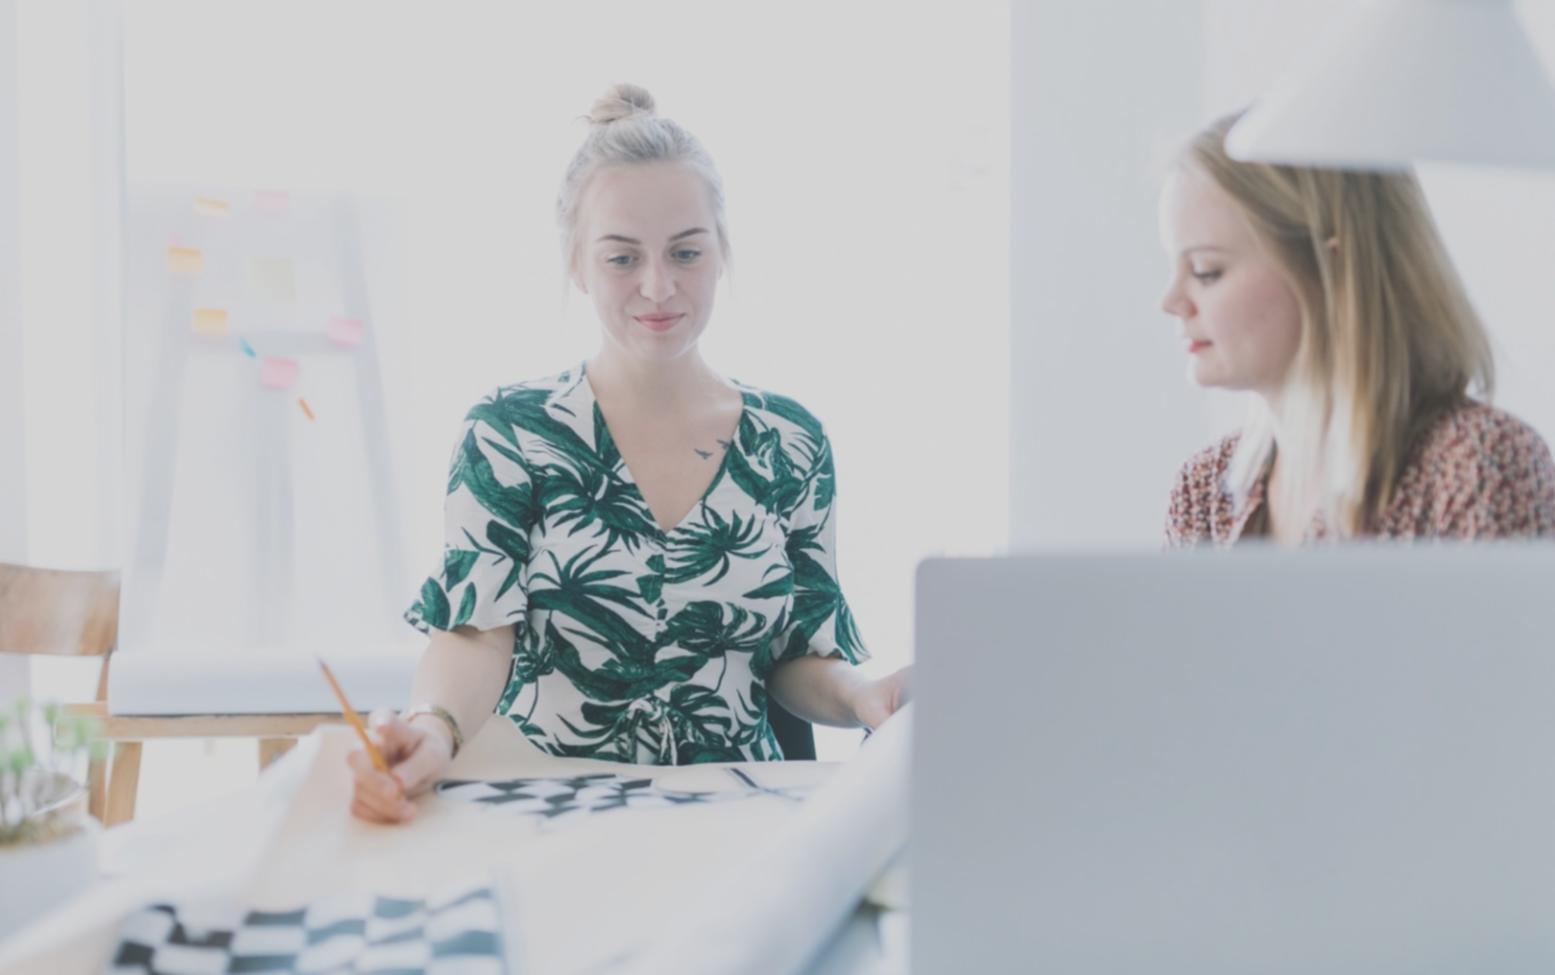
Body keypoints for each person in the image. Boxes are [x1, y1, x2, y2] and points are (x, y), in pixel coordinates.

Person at [348, 84, 910, 824]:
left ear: (721, 252)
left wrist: (860, 697)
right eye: (622, 257)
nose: (657, 286)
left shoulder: (790, 442)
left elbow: (797, 652)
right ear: (577, 264)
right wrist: (433, 727)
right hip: (546, 804)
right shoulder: (509, 432)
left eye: (685, 252)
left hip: (738, 814)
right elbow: (477, 634)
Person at [1159, 113, 1555, 547]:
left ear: (1332, 270)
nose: (1171, 302)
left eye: (1206, 270)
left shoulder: (1478, 464)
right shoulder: (1202, 493)